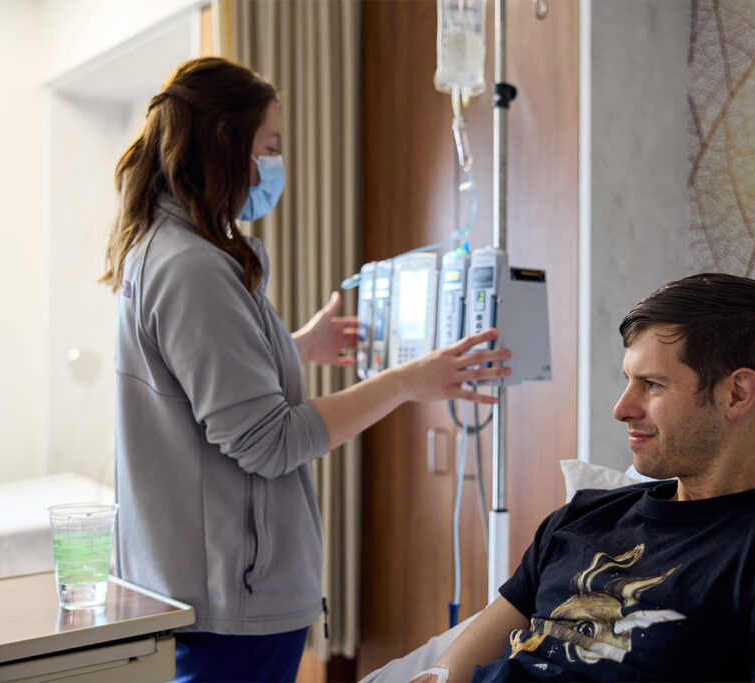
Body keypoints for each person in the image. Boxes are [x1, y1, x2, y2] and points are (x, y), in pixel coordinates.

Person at [100, 57, 511, 683]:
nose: (274, 162)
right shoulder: (193, 267)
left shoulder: (162, 247)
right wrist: (406, 381)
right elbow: (269, 441)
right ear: (224, 142)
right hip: (228, 598)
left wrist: (294, 346)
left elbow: (198, 383)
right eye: (269, 145)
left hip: (200, 585)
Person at [415, 273, 755, 682]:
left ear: (737, 394)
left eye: (652, 385)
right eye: (629, 380)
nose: (622, 408)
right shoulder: (583, 517)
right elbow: (445, 675)